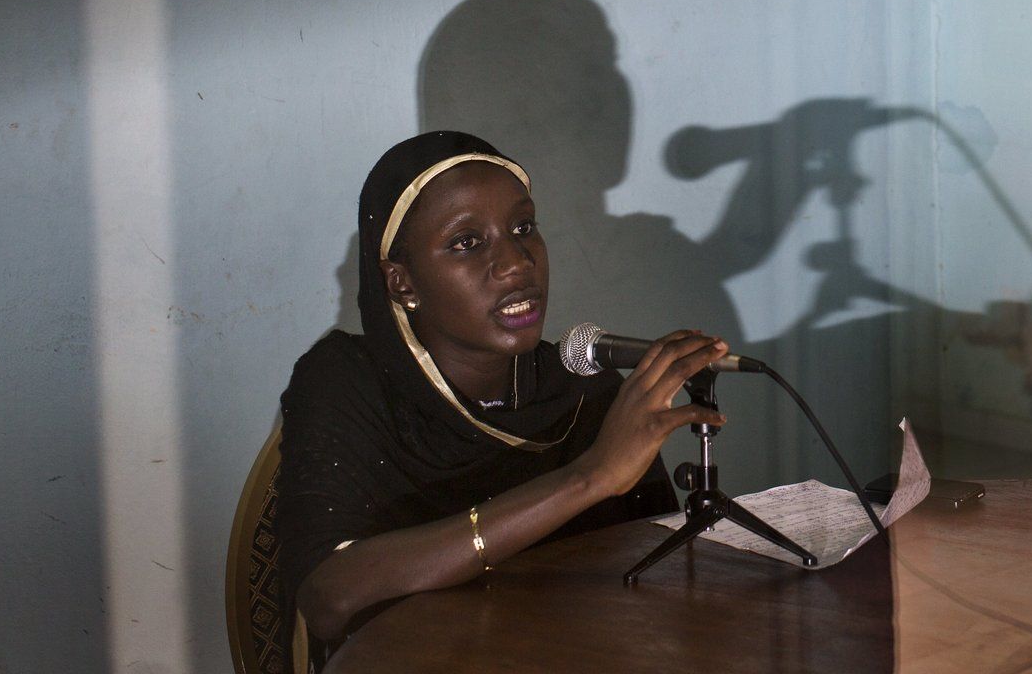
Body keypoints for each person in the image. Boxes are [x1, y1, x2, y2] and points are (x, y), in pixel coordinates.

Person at [275, 131, 728, 656]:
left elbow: (651, 575)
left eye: (523, 228)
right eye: (467, 242)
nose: (516, 261)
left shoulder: (584, 386)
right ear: (402, 283)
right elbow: (330, 597)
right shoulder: (344, 381)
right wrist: (589, 478)